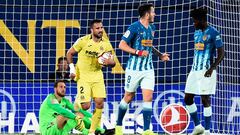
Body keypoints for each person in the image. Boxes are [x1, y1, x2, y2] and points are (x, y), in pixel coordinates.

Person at [115, 3, 170, 135]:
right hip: (134, 69)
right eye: (153, 12)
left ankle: (146, 130)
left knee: (148, 97)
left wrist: (160, 55)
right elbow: (121, 45)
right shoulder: (134, 27)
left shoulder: (152, 28)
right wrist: (138, 52)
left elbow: (149, 46)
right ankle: (118, 126)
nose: (155, 14)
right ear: (147, 14)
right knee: (128, 96)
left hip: (148, 69)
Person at [66, 19, 116, 135]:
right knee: (85, 106)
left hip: (97, 76)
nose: (100, 30)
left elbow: (113, 62)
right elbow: (69, 53)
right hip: (83, 76)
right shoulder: (83, 41)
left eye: (101, 28)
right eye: (97, 28)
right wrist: (72, 69)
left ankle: (92, 132)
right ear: (92, 30)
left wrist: (109, 62)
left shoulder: (106, 44)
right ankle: (78, 101)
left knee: (99, 103)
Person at [184, 8, 224, 135]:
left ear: (201, 20)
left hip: (207, 70)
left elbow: (222, 53)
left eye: (195, 21)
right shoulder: (196, 32)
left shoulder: (213, 32)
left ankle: (207, 131)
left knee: (204, 99)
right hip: (194, 70)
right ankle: (198, 126)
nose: (193, 23)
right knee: (188, 98)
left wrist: (212, 67)